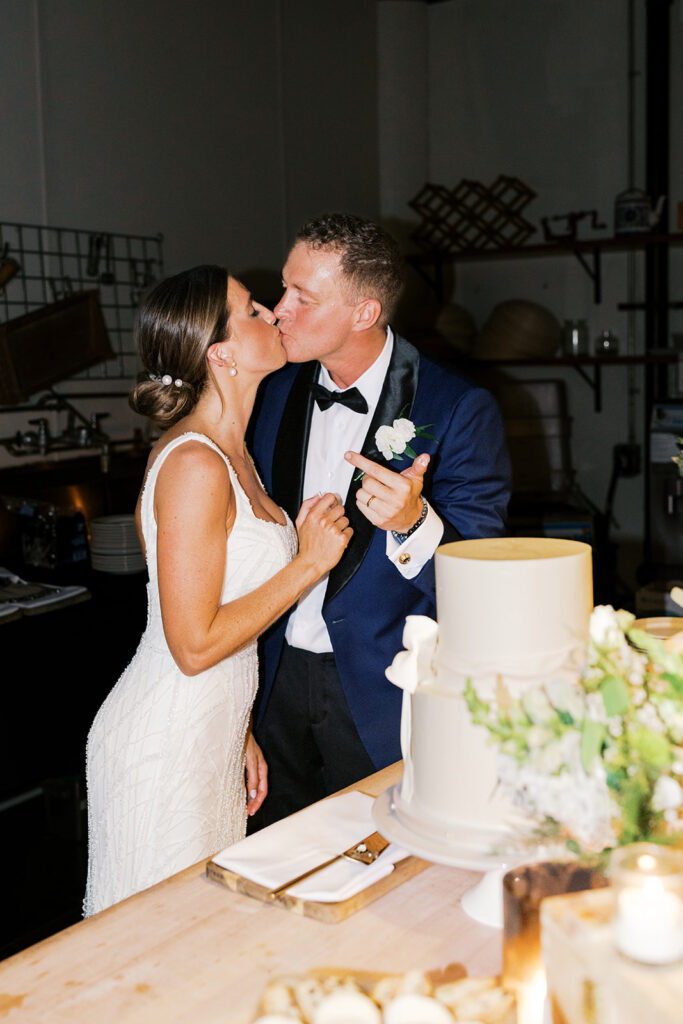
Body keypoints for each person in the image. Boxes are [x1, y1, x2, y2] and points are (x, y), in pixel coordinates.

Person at [83, 265, 351, 916]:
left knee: (197, 939)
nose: (275, 312)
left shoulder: (234, 455)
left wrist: (238, 732)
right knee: (152, 951)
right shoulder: (196, 463)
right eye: (253, 311)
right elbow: (192, 645)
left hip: (210, 731)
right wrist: (308, 564)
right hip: (163, 742)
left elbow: (215, 609)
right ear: (220, 352)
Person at [249, 213, 511, 827]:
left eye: (302, 298)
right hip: (270, 685)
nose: (279, 310)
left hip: (379, 698)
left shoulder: (458, 408)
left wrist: (416, 521)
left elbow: (483, 582)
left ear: (364, 314)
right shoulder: (271, 388)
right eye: (284, 288)